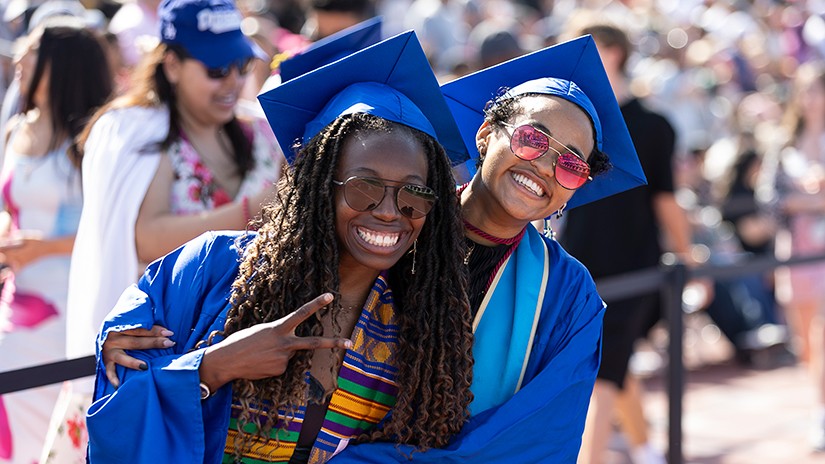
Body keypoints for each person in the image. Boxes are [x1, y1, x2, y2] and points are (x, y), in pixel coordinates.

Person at [103, 34, 645, 462]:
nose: (389, 211)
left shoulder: (564, 295)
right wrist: (197, 365)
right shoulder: (239, 262)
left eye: (571, 165)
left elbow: (538, 440)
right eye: (532, 139)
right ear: (486, 134)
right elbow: (131, 367)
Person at [88, 31, 474, 463]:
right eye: (363, 188)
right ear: (318, 187)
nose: (388, 212)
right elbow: (118, 399)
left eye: (413, 195)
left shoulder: (417, 326)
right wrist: (214, 367)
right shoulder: (212, 268)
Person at [53, 0, 283, 458]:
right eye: (216, 70)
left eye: (241, 66)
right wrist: (249, 209)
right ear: (172, 64)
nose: (233, 82)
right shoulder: (139, 132)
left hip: (242, 362)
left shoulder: (256, 131)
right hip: (157, 359)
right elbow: (145, 237)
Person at [557, 23, 695, 464]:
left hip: (632, 263)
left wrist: (689, 258)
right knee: (612, 360)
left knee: (601, 371)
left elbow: (666, 199)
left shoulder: (653, 125)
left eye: (586, 46)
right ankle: (644, 447)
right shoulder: (568, 120)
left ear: (614, 52)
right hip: (577, 259)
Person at [0, 19, 112, 464]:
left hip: (71, 303)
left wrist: (41, 248)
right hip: (19, 296)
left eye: (33, 50)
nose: (20, 58)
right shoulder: (14, 131)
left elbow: (107, 226)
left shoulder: (91, 140)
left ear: (62, 64)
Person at [763, 60, 825, 450]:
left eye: (817, 90)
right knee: (805, 341)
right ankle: (819, 401)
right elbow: (768, 200)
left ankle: (822, 411)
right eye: (806, 91)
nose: (812, 99)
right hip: (797, 251)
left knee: (823, 333)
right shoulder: (785, 144)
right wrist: (806, 201)